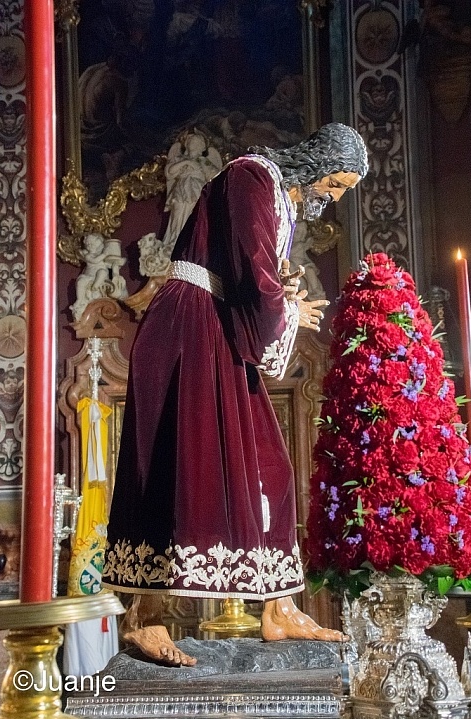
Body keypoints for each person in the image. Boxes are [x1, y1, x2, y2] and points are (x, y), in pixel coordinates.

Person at [102, 122, 368, 666]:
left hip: (214, 327)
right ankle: (145, 617)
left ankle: (278, 606)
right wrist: (287, 308)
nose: (335, 196)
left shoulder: (274, 194)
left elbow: (251, 272)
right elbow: (253, 274)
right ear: (318, 164)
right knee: (173, 466)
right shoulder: (251, 177)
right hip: (188, 329)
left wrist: (280, 296)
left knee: (269, 468)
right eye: (337, 183)